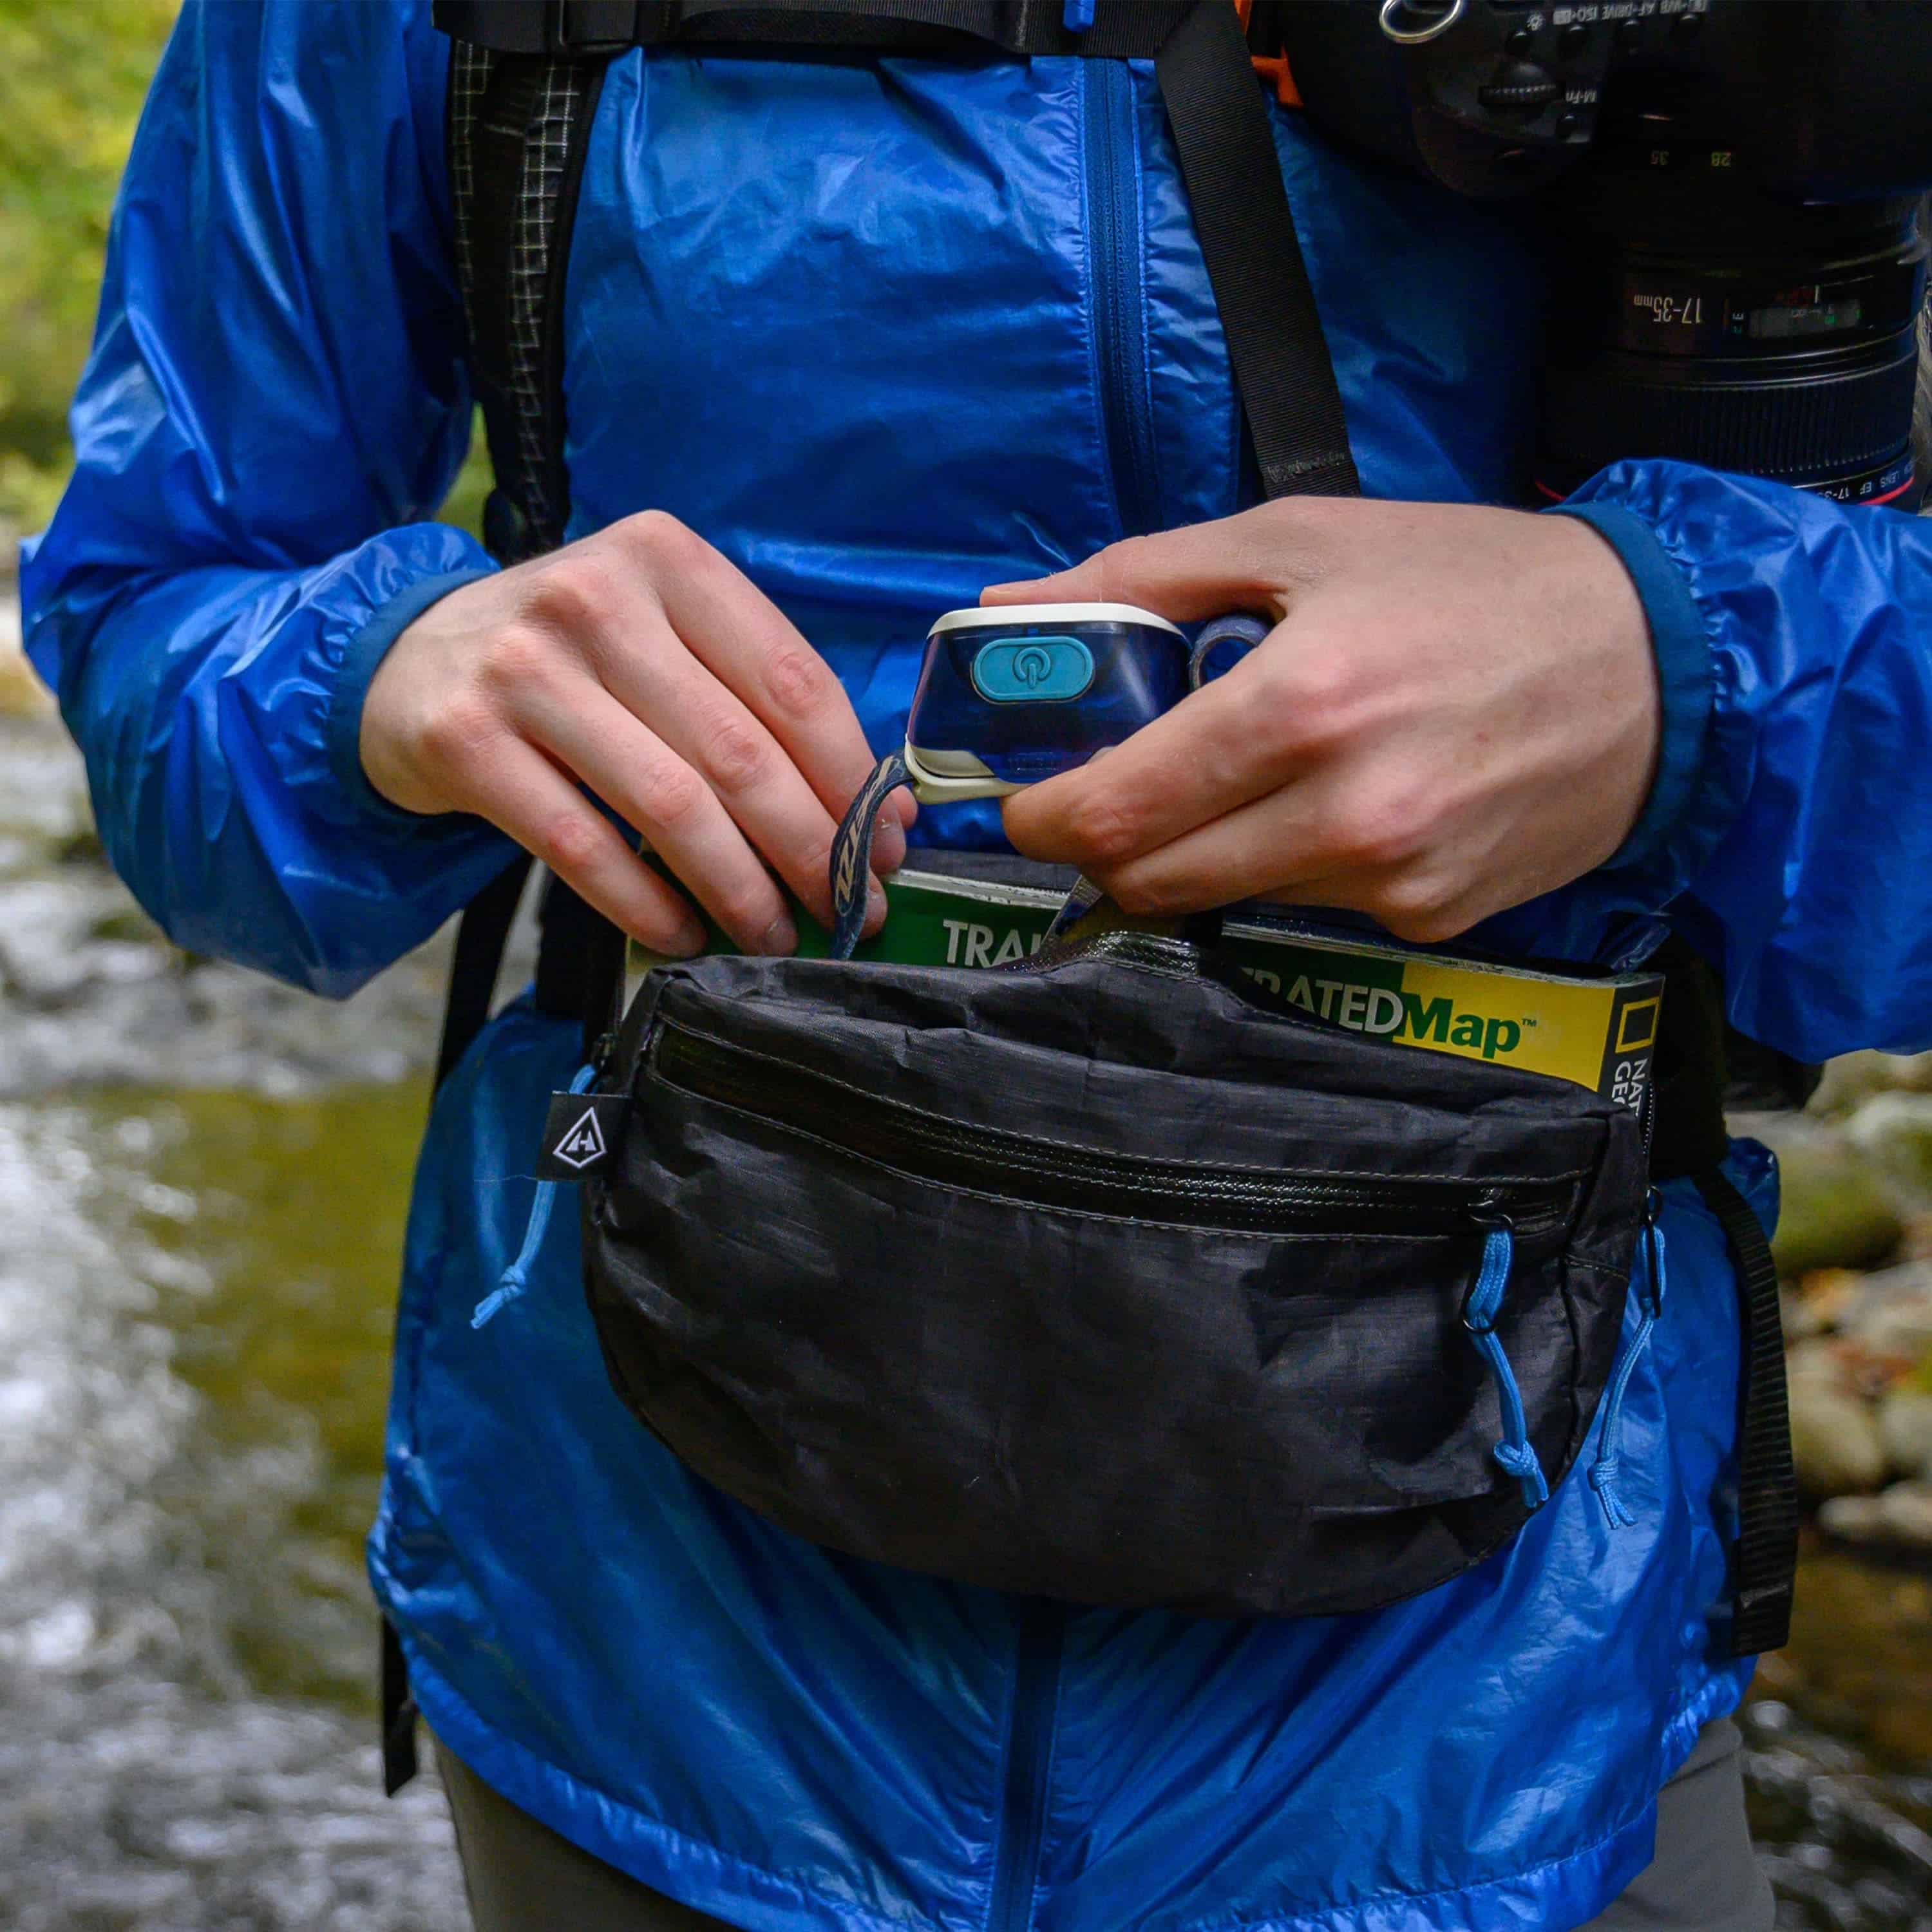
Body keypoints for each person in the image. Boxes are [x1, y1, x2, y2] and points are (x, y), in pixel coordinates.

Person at [21, 3, 1932, 1928]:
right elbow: (152, 640)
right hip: (653, 1628)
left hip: (1505, 1684)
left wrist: (1692, 671)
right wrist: (379, 678)